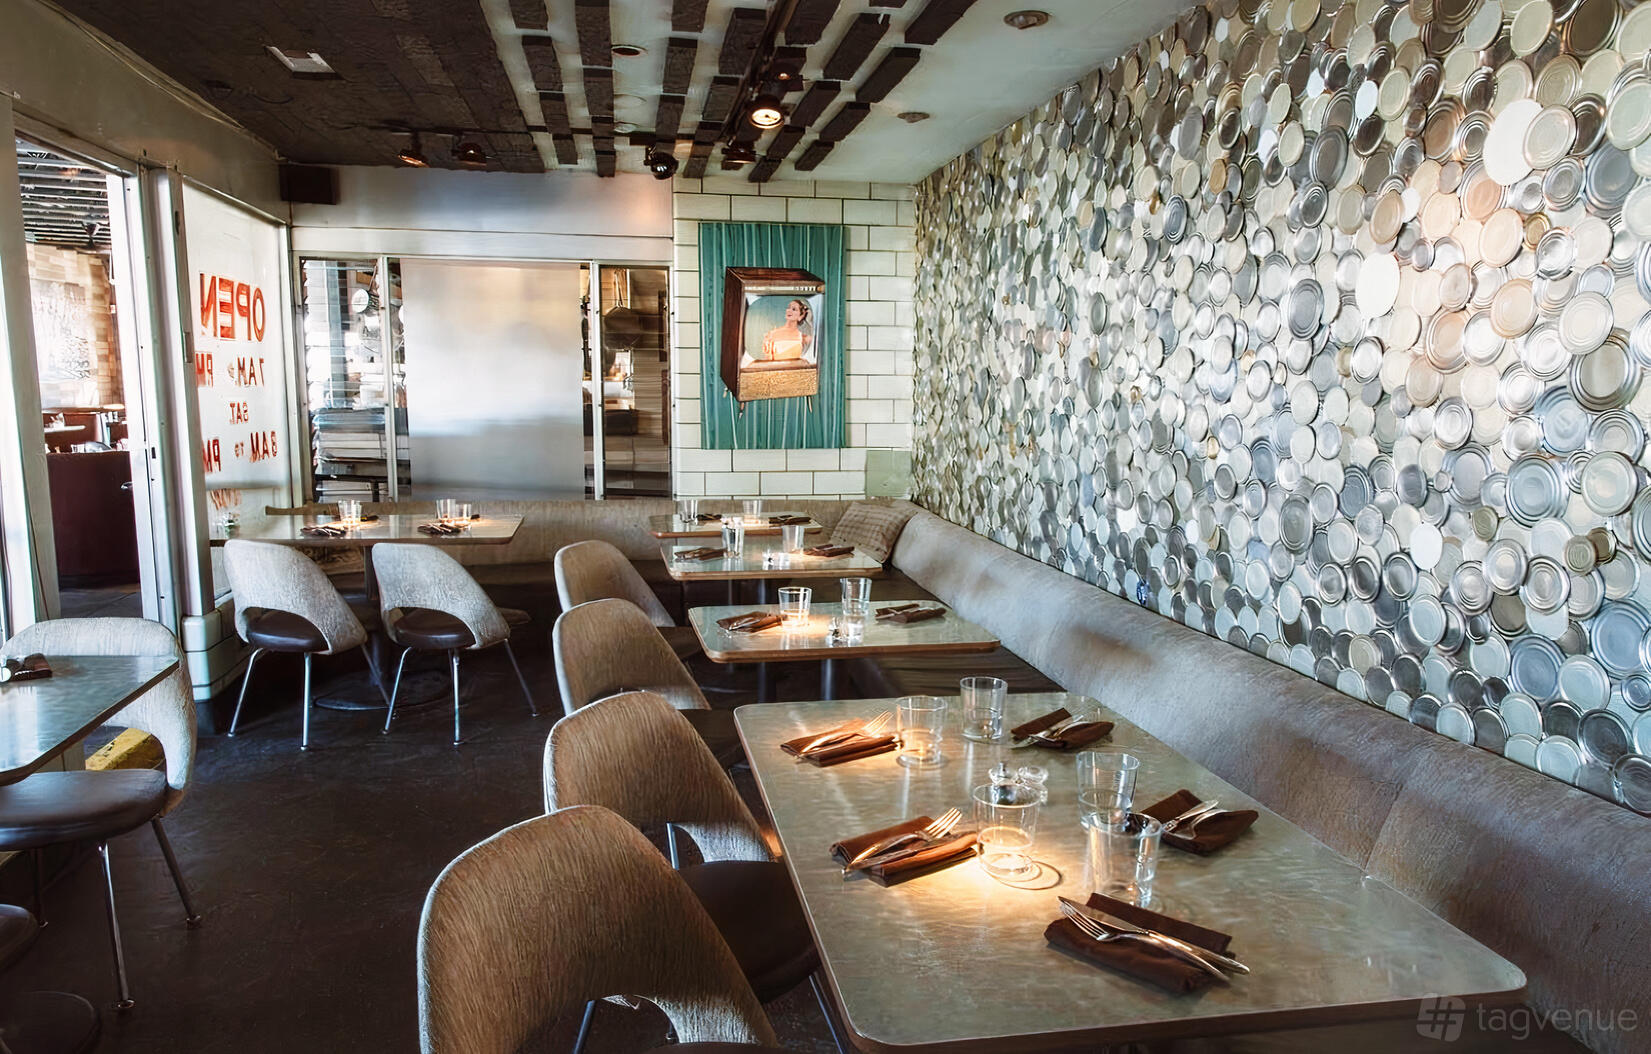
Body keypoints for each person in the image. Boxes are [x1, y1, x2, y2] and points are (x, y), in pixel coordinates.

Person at [748, 298, 814, 365]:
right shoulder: (772, 334)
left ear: (801, 315)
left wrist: (810, 322)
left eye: (794, 309)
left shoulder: (804, 338)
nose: (789, 310)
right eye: (788, 308)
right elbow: (767, 361)